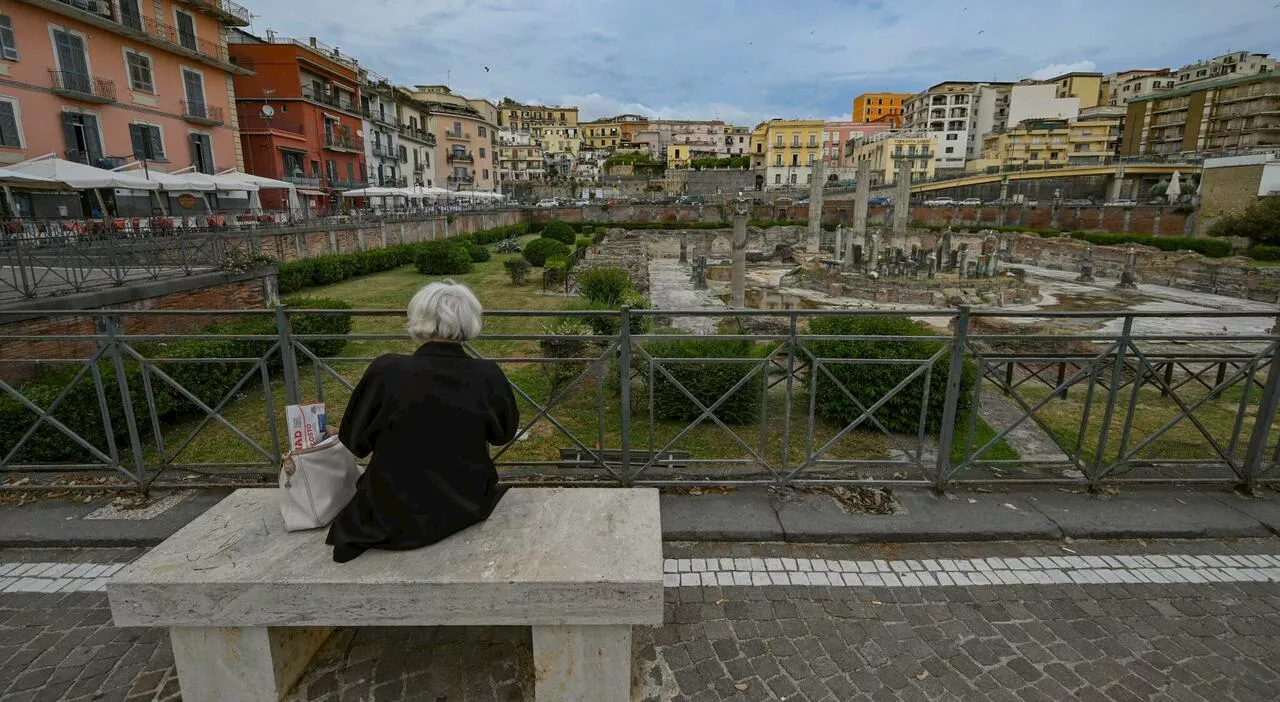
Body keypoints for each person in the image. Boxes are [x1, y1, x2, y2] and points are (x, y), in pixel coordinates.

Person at [326, 281, 519, 563]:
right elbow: (503, 434)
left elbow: (356, 442)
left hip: (389, 510)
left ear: (418, 318)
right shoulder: (487, 374)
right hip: (465, 502)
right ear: (470, 322)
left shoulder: (386, 370)